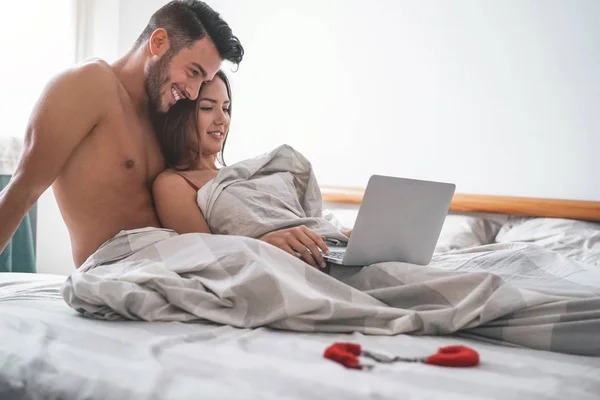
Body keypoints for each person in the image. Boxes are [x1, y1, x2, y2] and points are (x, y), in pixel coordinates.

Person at [0, 1, 244, 267]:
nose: (194, 93)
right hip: (114, 274)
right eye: (193, 72)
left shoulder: (165, 115)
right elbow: (22, 191)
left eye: (203, 81)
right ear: (159, 42)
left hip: (175, 267)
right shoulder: (87, 86)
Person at [152, 71, 351, 269]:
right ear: (179, 117)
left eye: (226, 108)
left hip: (325, 249)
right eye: (207, 108)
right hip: (280, 264)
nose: (222, 119)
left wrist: (344, 237)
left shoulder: (240, 174)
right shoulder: (173, 183)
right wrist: (264, 244)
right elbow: (207, 255)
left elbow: (309, 218)